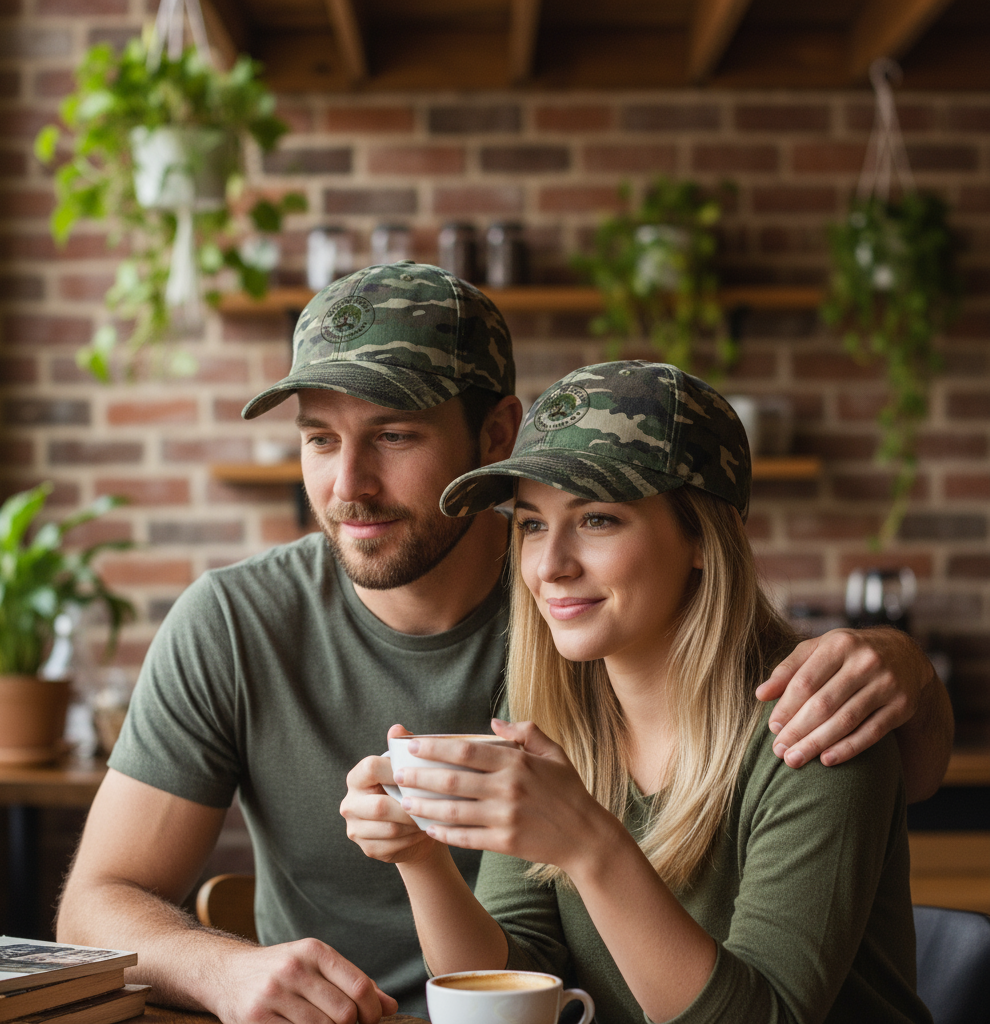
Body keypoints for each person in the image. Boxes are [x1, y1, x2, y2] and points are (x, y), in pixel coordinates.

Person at [57, 263, 950, 1024]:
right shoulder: (561, 688)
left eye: (395, 435)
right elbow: (520, 969)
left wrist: (906, 669)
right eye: (320, 440)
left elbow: (876, 763)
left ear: (494, 433)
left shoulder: (737, 693)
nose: (348, 485)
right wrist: (406, 866)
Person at [343, 361, 933, 1024]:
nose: (551, 565)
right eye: (532, 524)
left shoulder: (815, 723)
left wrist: (588, 845)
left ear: (703, 540)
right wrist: (420, 860)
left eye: (597, 520)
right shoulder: (548, 712)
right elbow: (517, 978)